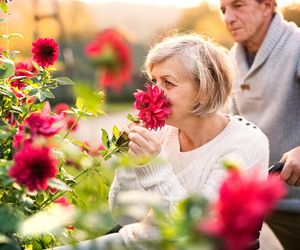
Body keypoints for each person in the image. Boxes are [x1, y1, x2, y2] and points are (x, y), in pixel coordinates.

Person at [53, 34, 269, 250]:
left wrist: (153, 166)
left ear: (205, 90)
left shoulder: (245, 144)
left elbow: (195, 233)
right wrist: (130, 162)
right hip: (136, 242)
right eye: (154, 81)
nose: (154, 92)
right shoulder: (162, 131)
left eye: (168, 83)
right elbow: (124, 216)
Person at [219, 0, 300, 249]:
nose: (228, 18)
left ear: (268, 5)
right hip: (261, 200)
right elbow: (231, 126)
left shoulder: (296, 47)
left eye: (238, 6)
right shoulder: (232, 58)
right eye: (223, 10)